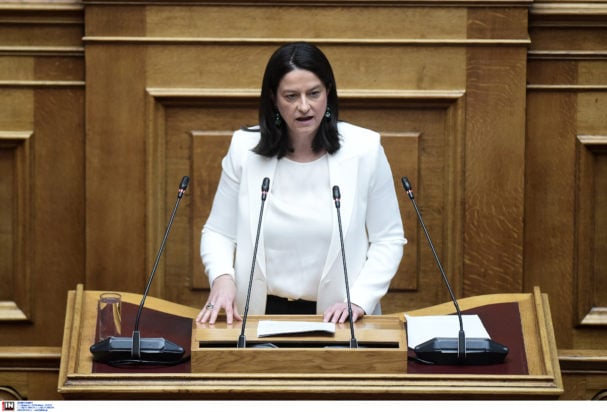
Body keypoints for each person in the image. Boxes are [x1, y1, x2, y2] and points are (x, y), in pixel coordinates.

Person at [196, 41, 406, 325]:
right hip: (257, 316)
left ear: (328, 92)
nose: (304, 106)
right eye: (291, 96)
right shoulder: (244, 149)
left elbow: (388, 239)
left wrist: (360, 299)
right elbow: (218, 231)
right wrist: (222, 277)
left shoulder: (364, 149)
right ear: (273, 98)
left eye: (314, 93)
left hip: (340, 319)